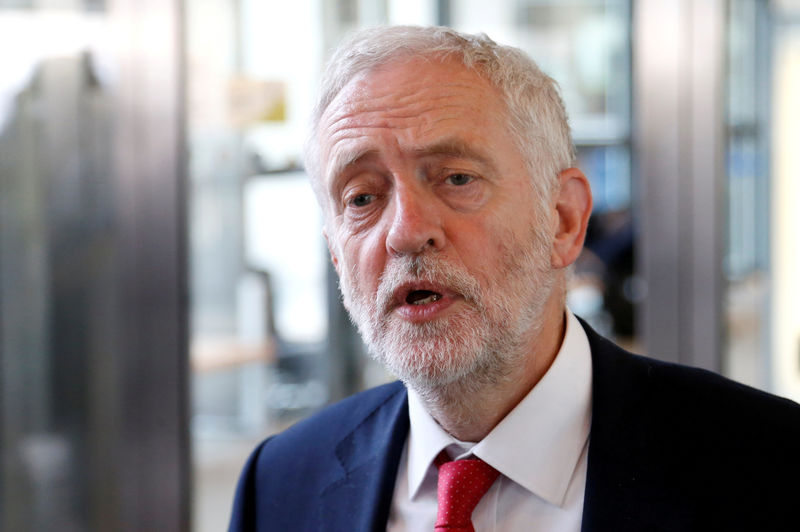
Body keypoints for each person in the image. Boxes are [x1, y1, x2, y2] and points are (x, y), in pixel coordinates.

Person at [229, 26, 800, 531]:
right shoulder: (280, 483)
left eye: (455, 178)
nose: (405, 232)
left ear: (563, 219)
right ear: (335, 254)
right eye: (362, 197)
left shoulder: (768, 465)